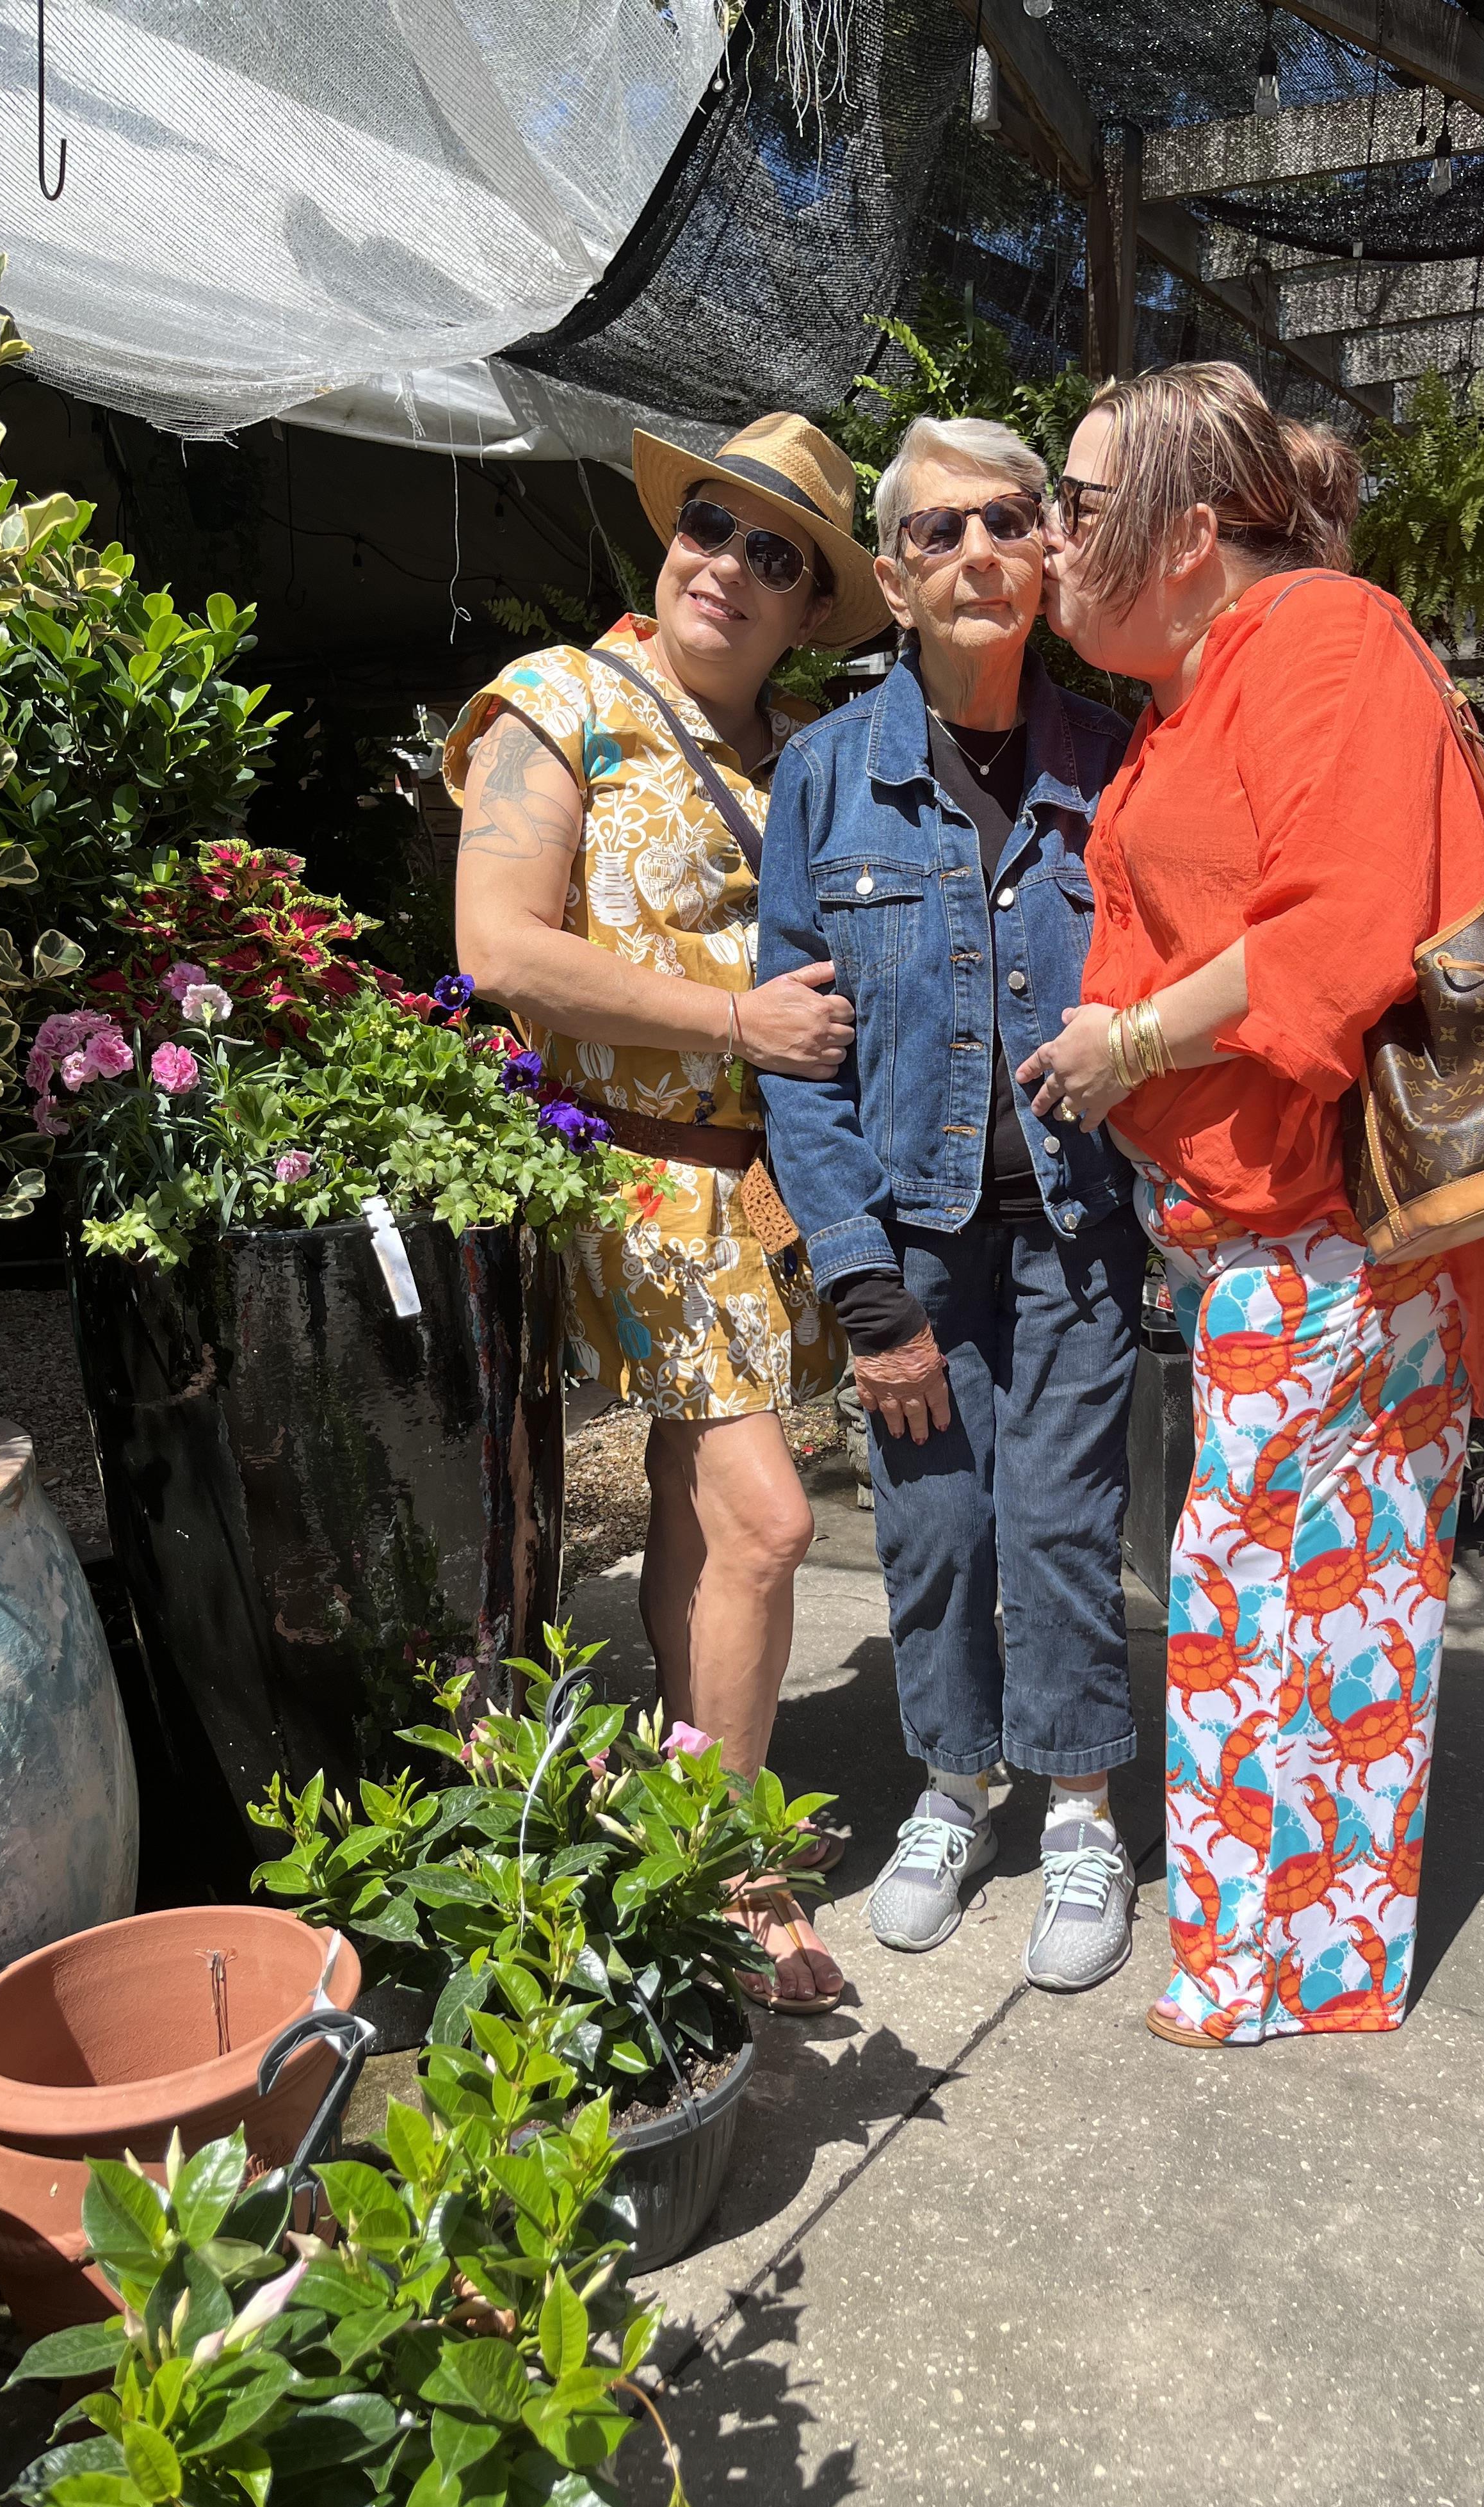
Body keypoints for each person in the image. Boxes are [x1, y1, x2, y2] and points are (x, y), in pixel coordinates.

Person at [1017, 361, 1484, 2049]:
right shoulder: (1208, 680)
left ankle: (1278, 1962)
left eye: (1076, 504)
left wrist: (1135, 1038)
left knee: (1287, 1578)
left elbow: (1345, 921)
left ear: (1184, 522)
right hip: (1257, 1224)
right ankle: (1281, 1950)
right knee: (1286, 1579)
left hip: (1341, 1218)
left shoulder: (1322, 640)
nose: (1048, 537)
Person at [447, 412, 889, 2014]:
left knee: (709, 1515)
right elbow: (497, 945)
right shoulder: (558, 703)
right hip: (630, 1169)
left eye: (780, 557)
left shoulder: (806, 760)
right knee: (773, 1518)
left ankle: (678, 1787)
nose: (733, 568)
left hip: (766, 1192)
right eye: (714, 526)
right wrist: (735, 1027)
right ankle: (733, 1872)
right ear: (671, 537)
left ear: (806, 605)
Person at [755, 416, 1143, 1993]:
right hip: (911, 1238)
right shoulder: (825, 779)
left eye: (1009, 521)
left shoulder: (1120, 769)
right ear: (898, 585)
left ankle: (1078, 1809)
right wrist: (865, 1294)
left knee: (1060, 1526)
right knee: (929, 1525)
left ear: (1049, 554)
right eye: (937, 533)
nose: (978, 552)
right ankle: (950, 1785)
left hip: (1076, 1232)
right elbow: (799, 1061)